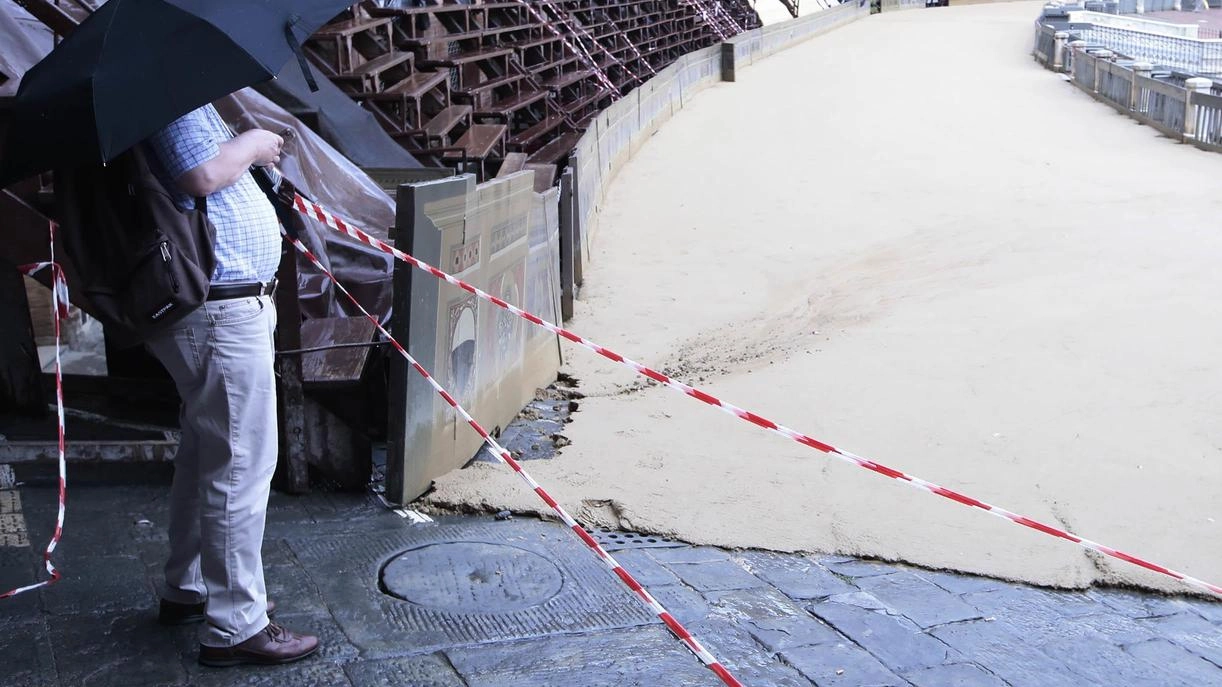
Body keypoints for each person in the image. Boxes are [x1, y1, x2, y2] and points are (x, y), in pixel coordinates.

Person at [142, 103, 319, 666]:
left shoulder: (169, 82)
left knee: (206, 452)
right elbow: (201, 175)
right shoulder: (161, 84)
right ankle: (236, 624)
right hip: (221, 313)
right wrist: (253, 144)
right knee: (239, 466)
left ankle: (187, 587)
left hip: (227, 309)